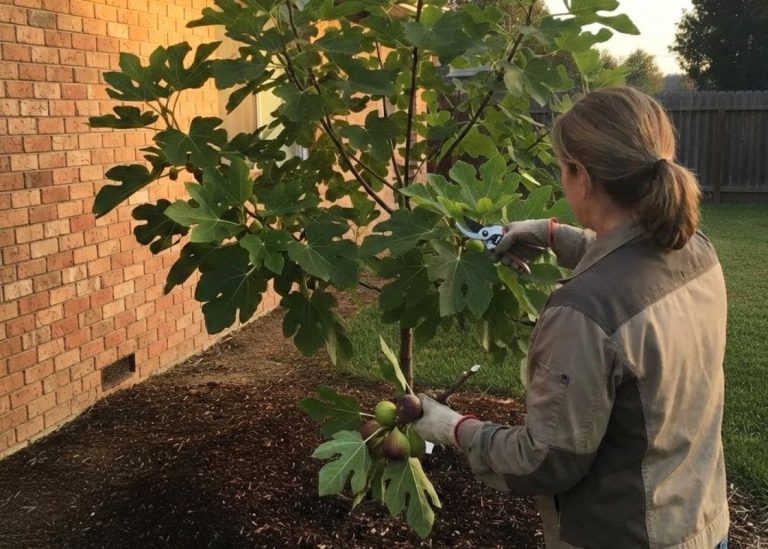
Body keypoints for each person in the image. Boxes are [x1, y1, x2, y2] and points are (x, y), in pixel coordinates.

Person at [412, 86, 730, 549]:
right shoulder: (696, 251)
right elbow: (632, 267)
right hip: (701, 522)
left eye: (562, 168)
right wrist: (549, 234)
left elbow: (545, 460)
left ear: (581, 175)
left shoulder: (584, 313)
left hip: (627, 535)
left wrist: (454, 428)